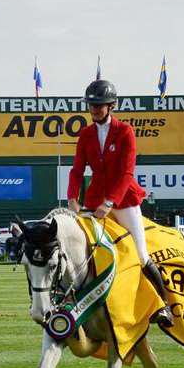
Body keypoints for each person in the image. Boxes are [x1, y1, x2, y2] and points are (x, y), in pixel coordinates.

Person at [67, 79, 173, 327]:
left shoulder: (125, 131)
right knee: (85, 253)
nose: (95, 109)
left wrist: (110, 202)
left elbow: (127, 173)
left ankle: (164, 306)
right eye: (91, 105)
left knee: (140, 254)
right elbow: (77, 169)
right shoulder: (85, 134)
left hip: (123, 200)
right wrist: (73, 197)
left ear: (111, 105)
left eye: (100, 105)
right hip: (93, 202)